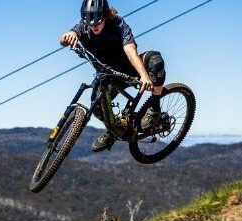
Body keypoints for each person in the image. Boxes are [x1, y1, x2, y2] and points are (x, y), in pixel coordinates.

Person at [60, 0, 166, 152]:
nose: (94, 26)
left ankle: (155, 110)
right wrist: (68, 35)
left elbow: (130, 51)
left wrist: (144, 75)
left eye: (98, 22)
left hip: (130, 69)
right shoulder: (82, 27)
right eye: (90, 23)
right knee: (97, 107)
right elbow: (63, 39)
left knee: (155, 61)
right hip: (108, 76)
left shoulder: (118, 25)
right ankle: (113, 131)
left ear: (106, 16)